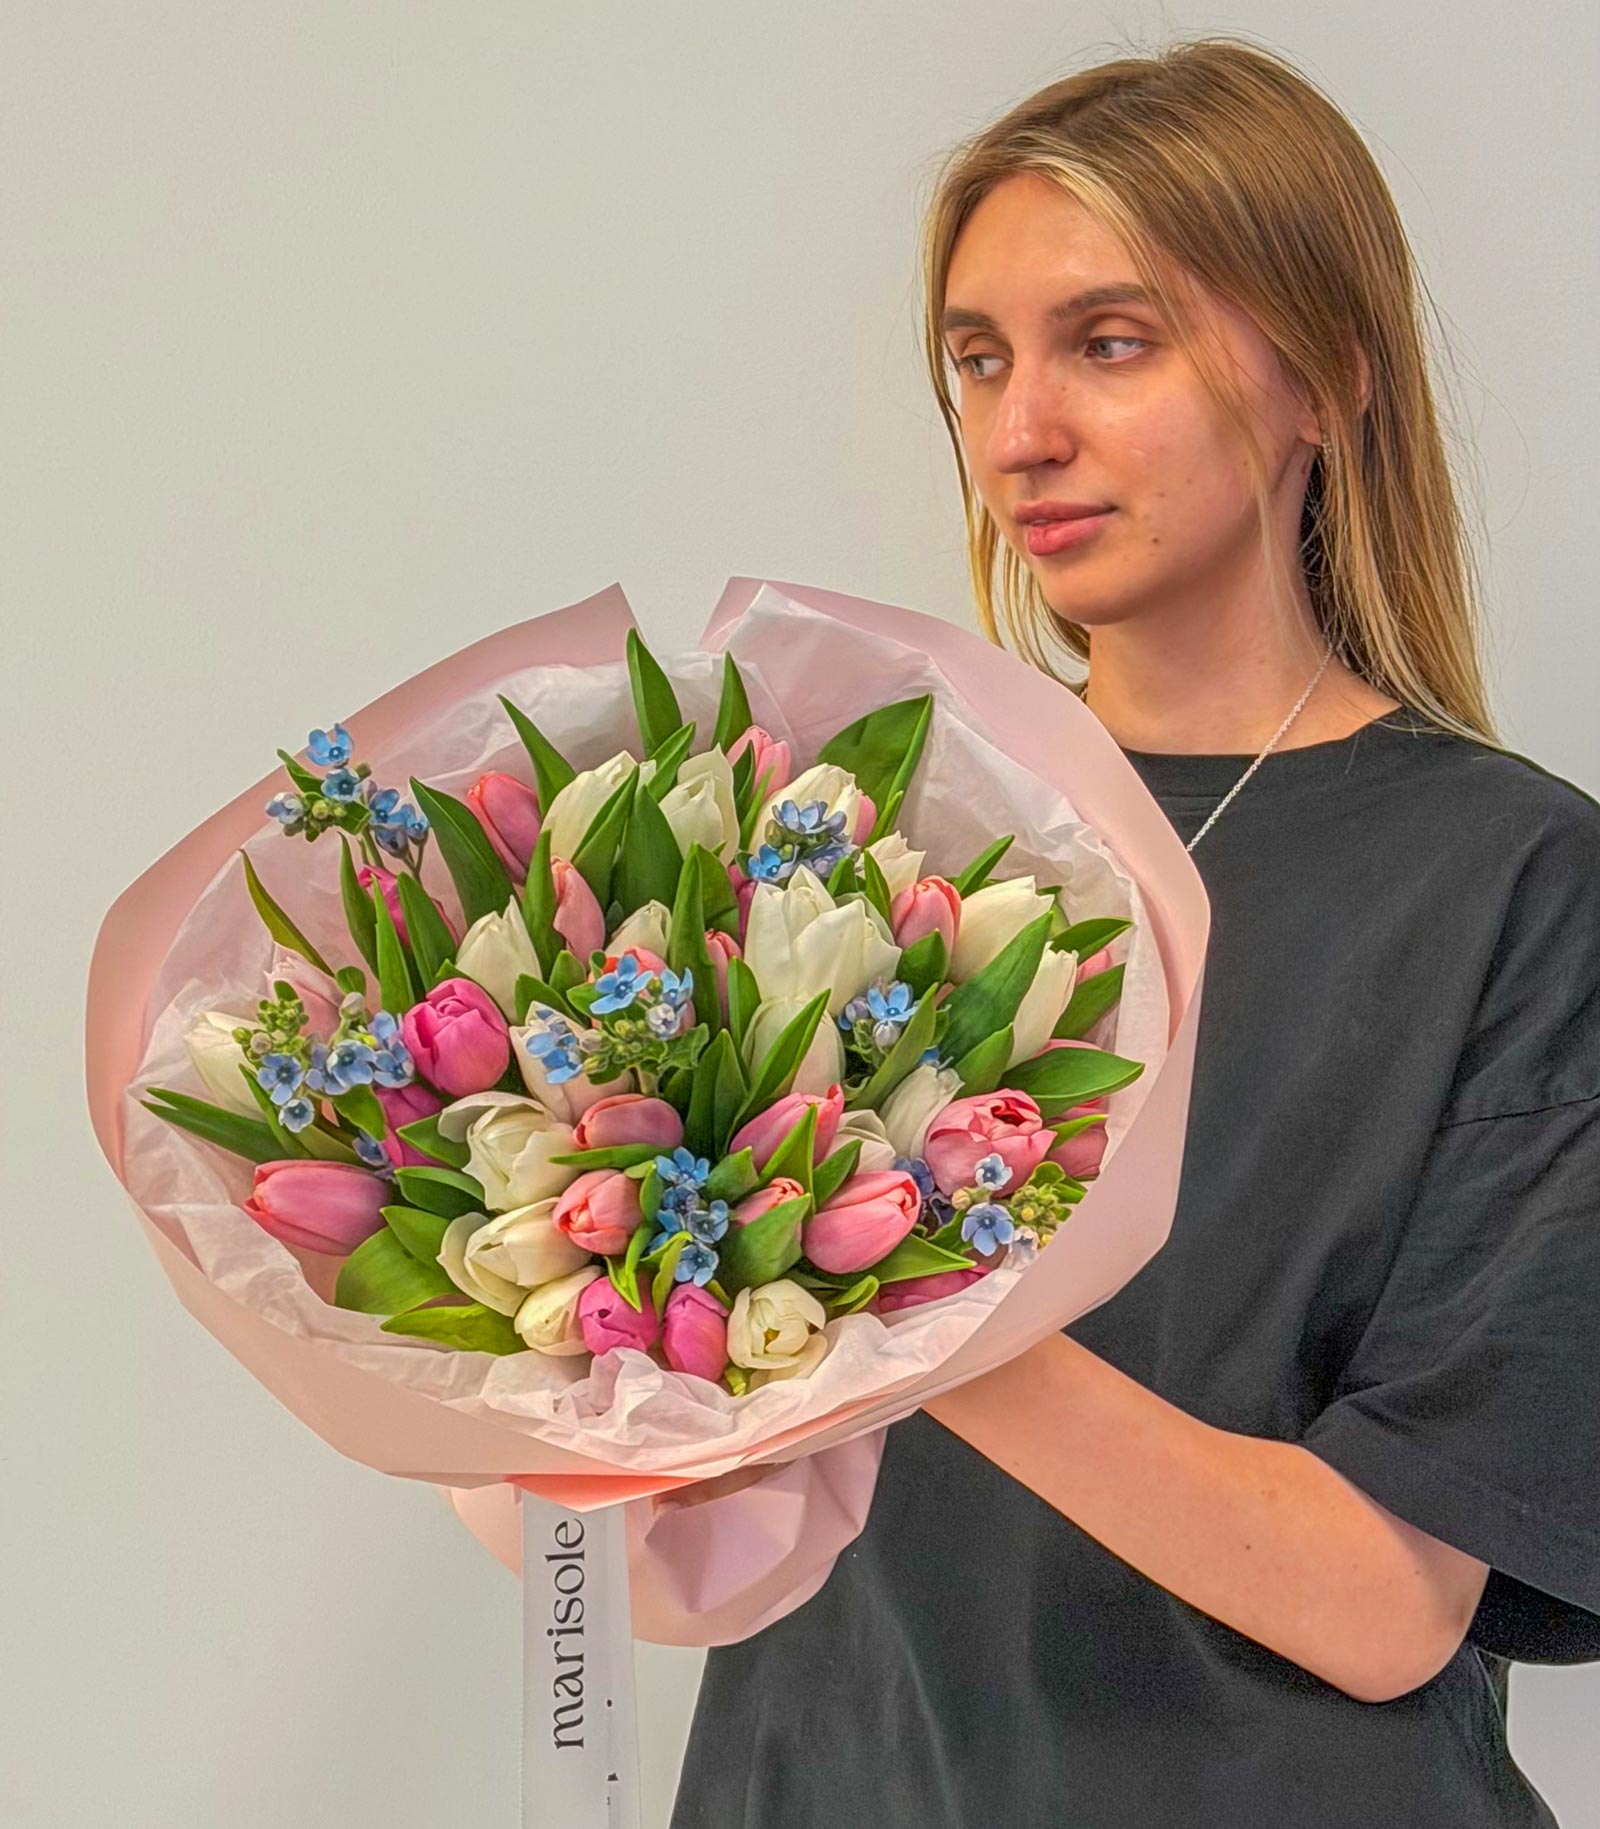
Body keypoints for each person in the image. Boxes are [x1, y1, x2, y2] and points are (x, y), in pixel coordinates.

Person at [668, 35, 1600, 1828]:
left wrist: (889, 1286)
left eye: (1113, 340)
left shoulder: (1515, 885)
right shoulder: (844, 824)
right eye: (978, 358)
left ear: (1325, 373)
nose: (1022, 430)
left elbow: (1382, 1604)